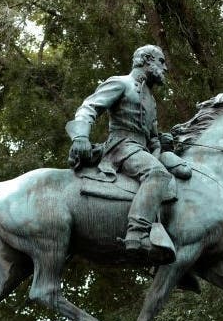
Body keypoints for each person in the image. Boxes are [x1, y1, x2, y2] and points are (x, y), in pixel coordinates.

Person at [66, 44, 190, 262]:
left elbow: (152, 138)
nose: (165, 68)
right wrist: (81, 136)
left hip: (141, 150)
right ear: (146, 60)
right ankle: (137, 234)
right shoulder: (121, 83)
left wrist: (163, 142)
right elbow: (89, 107)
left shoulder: (151, 99)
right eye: (161, 61)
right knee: (158, 174)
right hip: (121, 147)